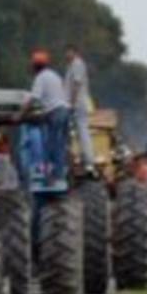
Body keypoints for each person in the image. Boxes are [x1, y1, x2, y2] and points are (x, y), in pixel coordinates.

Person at [21, 49, 69, 187]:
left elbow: (33, 99)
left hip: (55, 113)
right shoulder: (54, 75)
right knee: (60, 146)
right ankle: (59, 176)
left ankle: (49, 179)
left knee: (49, 146)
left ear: (36, 65)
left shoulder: (40, 77)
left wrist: (21, 114)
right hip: (65, 112)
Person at [65, 44, 95, 172]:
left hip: (78, 103)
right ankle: (83, 156)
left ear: (74, 52)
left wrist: (72, 102)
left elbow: (76, 84)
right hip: (77, 102)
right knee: (78, 131)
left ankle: (88, 158)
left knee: (82, 130)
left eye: (68, 52)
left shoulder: (77, 64)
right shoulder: (72, 65)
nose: (66, 55)